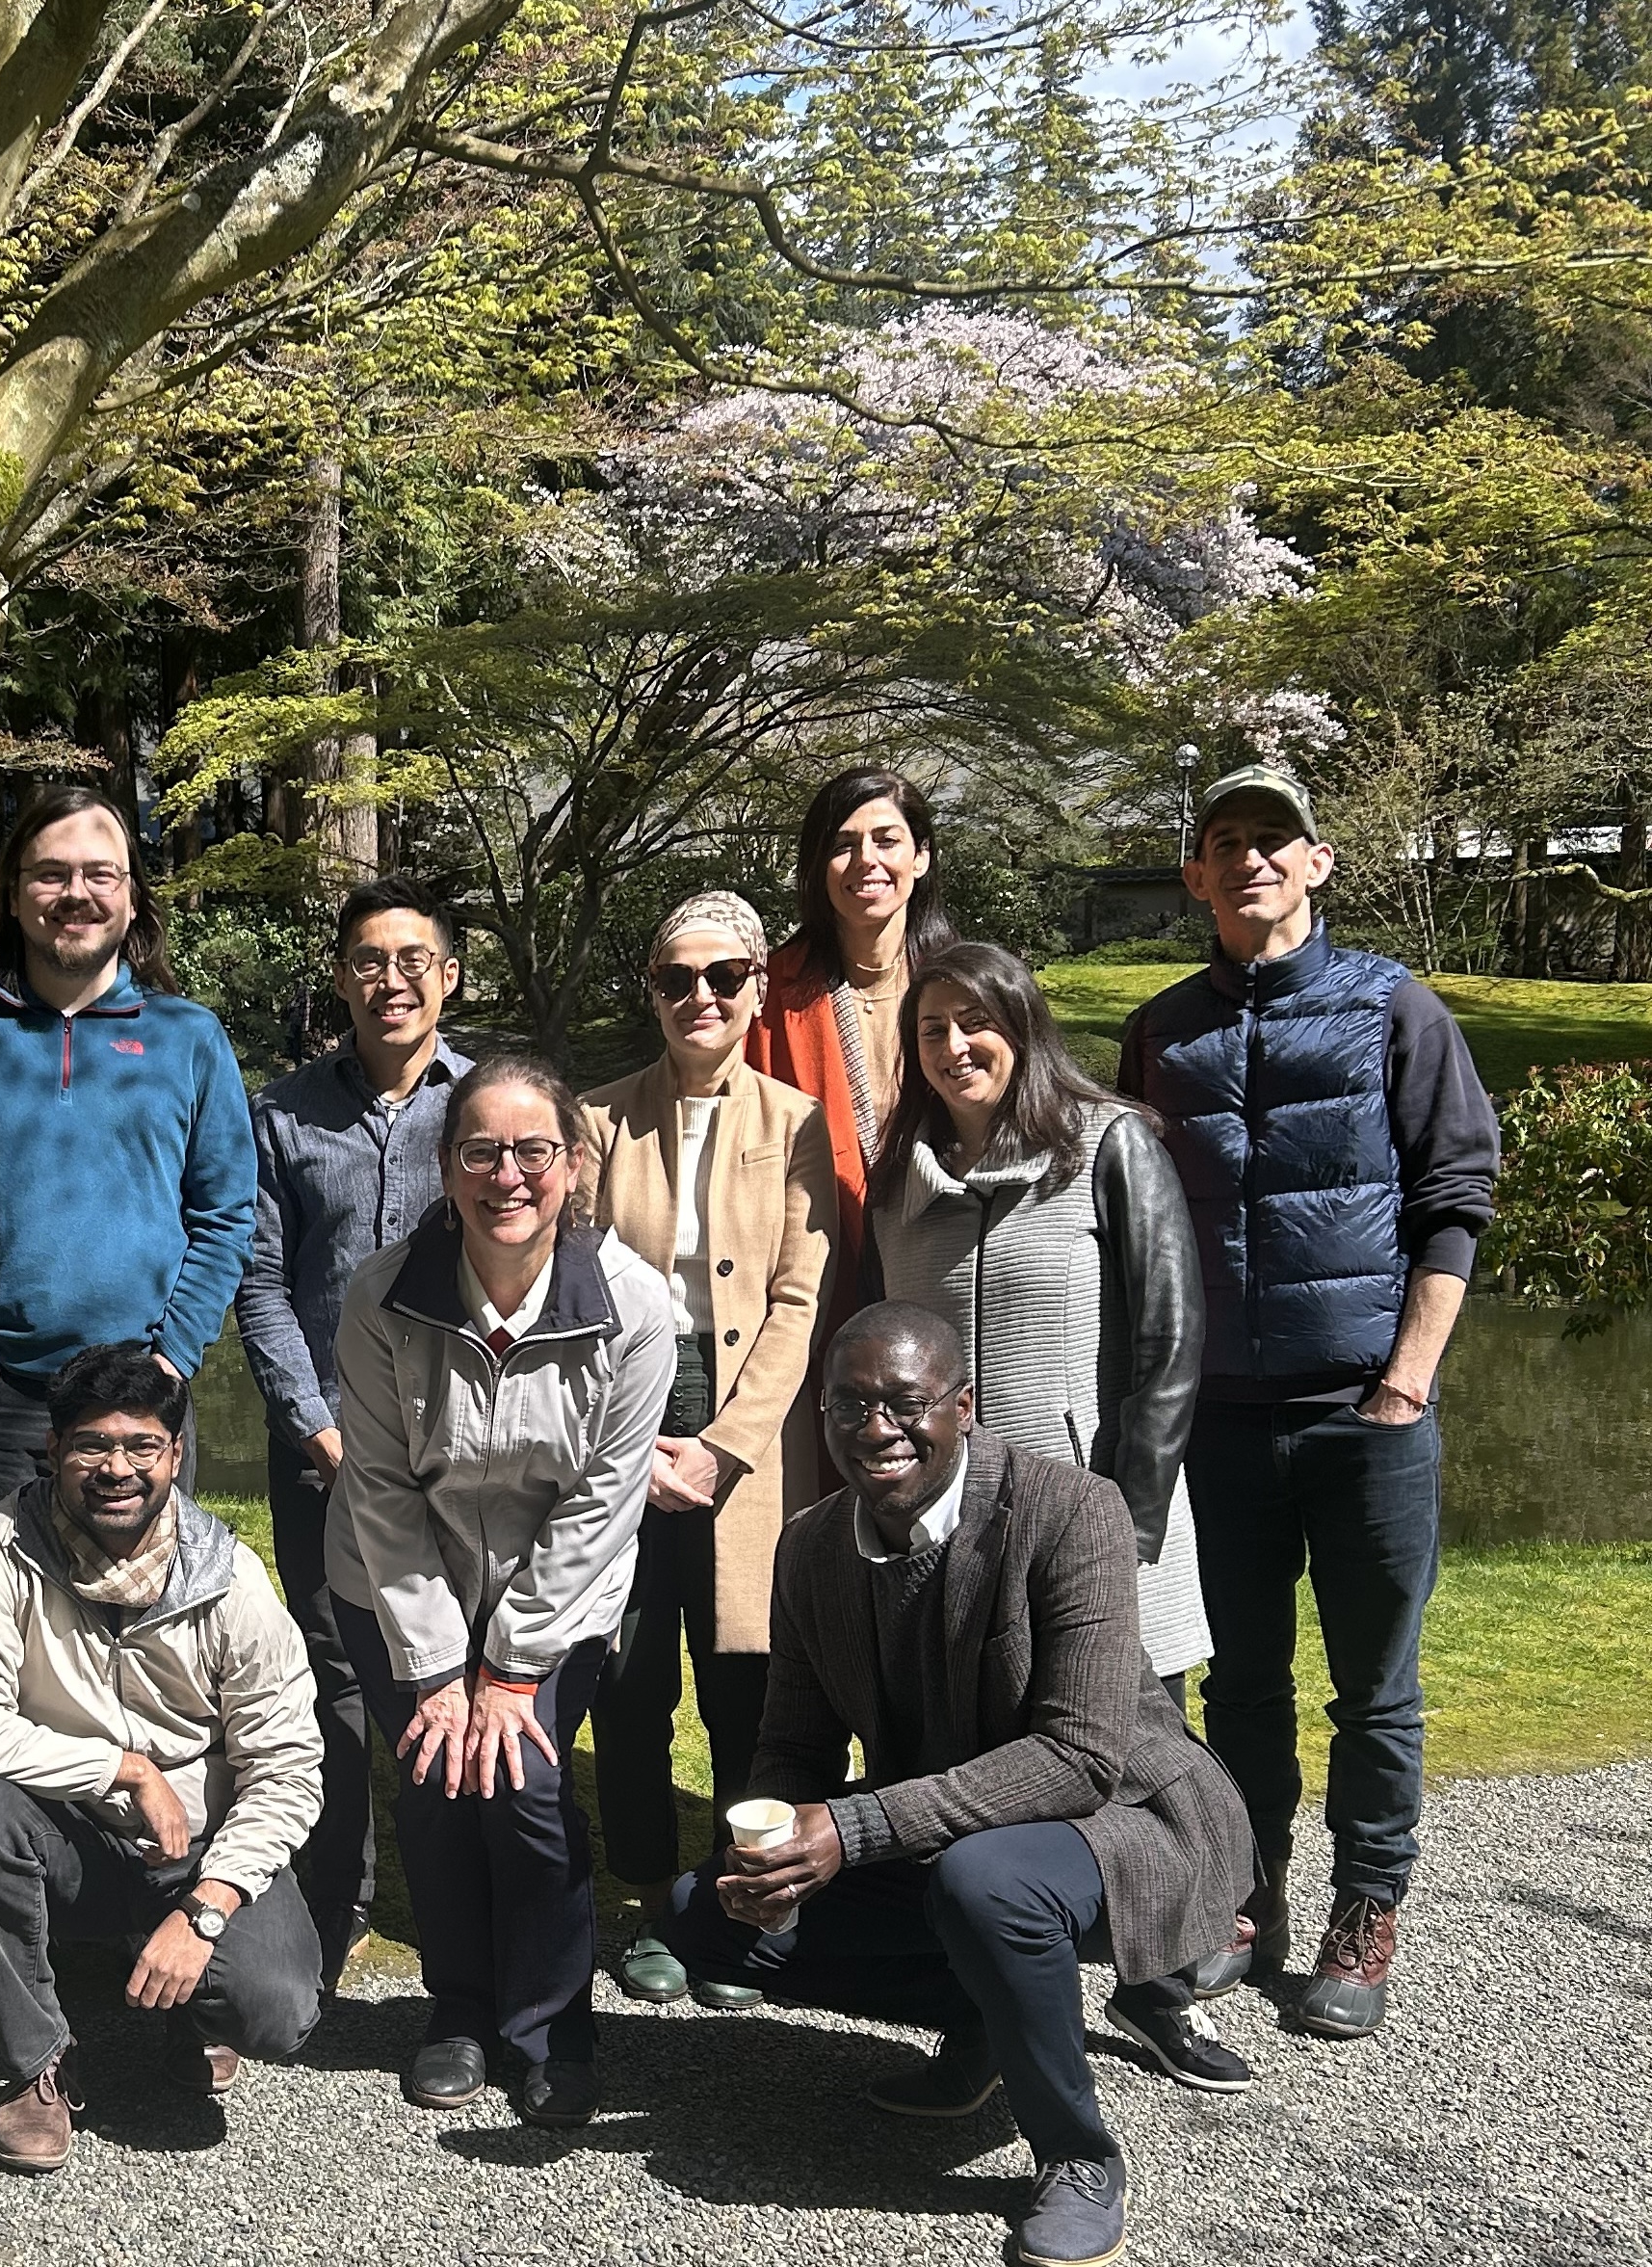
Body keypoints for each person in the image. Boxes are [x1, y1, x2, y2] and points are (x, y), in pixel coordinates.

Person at [667, 1304, 1256, 2267]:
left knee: (988, 1884)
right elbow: (793, 1740)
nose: (875, 1429)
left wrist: (853, 1830)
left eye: (904, 1403)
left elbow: (1081, 1754)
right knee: (706, 1916)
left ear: (964, 1406)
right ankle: (982, 2016)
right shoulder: (811, 1546)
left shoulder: (1071, 1510)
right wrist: (764, 1850)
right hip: (953, 1837)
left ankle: (1076, 2154)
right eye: (848, 1405)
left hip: (1125, 1822)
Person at [1118, 763, 1498, 2039]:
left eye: (1271, 839)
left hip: (1362, 1416)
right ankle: (1246, 1895)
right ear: (1193, 877)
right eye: (1222, 842)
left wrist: (1406, 1378)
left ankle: (1364, 1909)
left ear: (1317, 861)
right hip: (1217, 1418)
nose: (1248, 860)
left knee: (1374, 1687)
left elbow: (1454, 1195)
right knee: (1243, 1688)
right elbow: (1130, 1217)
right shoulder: (1162, 1030)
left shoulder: (1392, 1007)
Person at [866, 940, 1242, 2091]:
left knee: (1143, 1773)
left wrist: (1124, 1529)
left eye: (975, 1021)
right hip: (959, 1542)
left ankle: (1161, 1989)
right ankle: (979, 2019)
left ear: (1023, 1026)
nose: (954, 1045)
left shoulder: (1110, 1146)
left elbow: (1169, 1351)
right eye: (930, 1029)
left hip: (1108, 1525)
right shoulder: (906, 1174)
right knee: (973, 1769)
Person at [330, 1057, 673, 2129]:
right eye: (481, 1150)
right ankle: (460, 2013)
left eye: (535, 1150)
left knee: (525, 1796)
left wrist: (509, 1667)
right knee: (435, 1792)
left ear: (575, 1165)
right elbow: (381, 1489)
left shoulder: (635, 1306)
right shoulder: (380, 1294)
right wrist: (439, 1669)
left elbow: (604, 1505)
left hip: (555, 1601)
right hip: (398, 1586)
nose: (508, 1175)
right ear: (445, 1168)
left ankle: (554, 2023)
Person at [0, 1343, 325, 2175]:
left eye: (142, 1446)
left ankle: (195, 2007)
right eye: (91, 1444)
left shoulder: (232, 1579)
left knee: (276, 2009)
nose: (117, 1468)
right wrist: (123, 1768)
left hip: (200, 1852)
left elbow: (288, 1766)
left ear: (175, 1455)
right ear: (53, 1447)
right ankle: (40, 2065)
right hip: (68, 1836)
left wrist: (207, 1908)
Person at [577, 891, 835, 2011]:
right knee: (628, 1684)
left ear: (755, 990)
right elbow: (571, 1293)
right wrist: (631, 1446)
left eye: (724, 976)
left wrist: (724, 1450)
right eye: (677, 977)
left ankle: (738, 1900)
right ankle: (646, 1896)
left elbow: (800, 1301)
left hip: (748, 1438)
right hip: (620, 1429)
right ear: (651, 988)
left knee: (747, 1684)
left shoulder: (800, 1123)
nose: (700, 997)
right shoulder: (597, 1121)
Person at [0, 783, 255, 1536]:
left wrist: (174, 1355)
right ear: (13, 896)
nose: (74, 892)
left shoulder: (190, 1037)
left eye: (98, 873)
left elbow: (226, 1215)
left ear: (132, 897)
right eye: (50, 873)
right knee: (3, 1630)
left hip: (144, 1393)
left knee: (142, 1619)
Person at [233, 875, 470, 1985]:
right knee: (330, 1674)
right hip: (321, 1450)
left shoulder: (487, 1105)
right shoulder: (281, 1114)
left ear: (449, 975)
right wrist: (315, 1425)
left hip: (458, 1448)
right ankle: (342, 1897)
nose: (391, 980)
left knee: (450, 1669)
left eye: (413, 958)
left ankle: (460, 1903)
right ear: (339, 978)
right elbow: (262, 1281)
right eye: (369, 960)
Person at [747, 767, 958, 1288]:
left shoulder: (967, 987)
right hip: (813, 1272)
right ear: (819, 866)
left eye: (887, 840)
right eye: (843, 844)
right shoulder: (769, 993)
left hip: (951, 1258)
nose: (867, 860)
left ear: (921, 856)